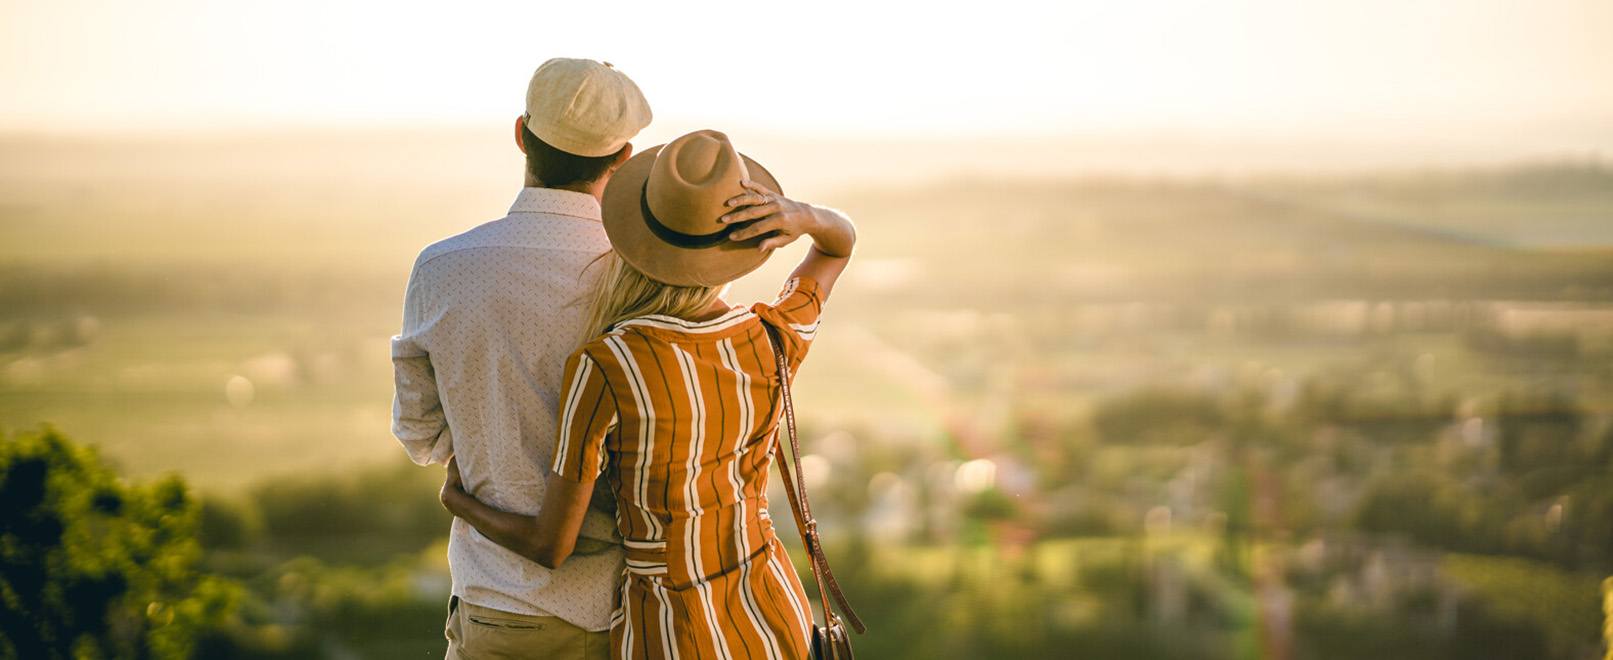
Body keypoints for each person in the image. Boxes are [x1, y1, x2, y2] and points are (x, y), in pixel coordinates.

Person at [439, 129, 857, 660]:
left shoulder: (610, 365)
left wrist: (460, 503)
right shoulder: (771, 335)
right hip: (772, 610)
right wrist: (799, 215)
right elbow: (838, 244)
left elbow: (551, 545)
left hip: (672, 628)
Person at [391, 57, 652, 660]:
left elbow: (420, 436)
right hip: (628, 615)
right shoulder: (645, 277)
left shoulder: (442, 268)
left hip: (499, 604)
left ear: (520, 135)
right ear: (625, 155)